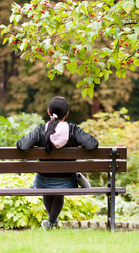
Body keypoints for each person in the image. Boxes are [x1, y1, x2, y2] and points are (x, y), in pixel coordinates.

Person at [16, 96, 98, 230]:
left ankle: (51, 222)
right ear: (67, 113)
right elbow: (93, 145)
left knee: (49, 183)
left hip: (42, 181)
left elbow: (22, 145)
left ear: (48, 112)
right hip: (67, 182)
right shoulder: (73, 130)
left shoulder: (40, 130)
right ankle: (52, 222)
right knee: (59, 188)